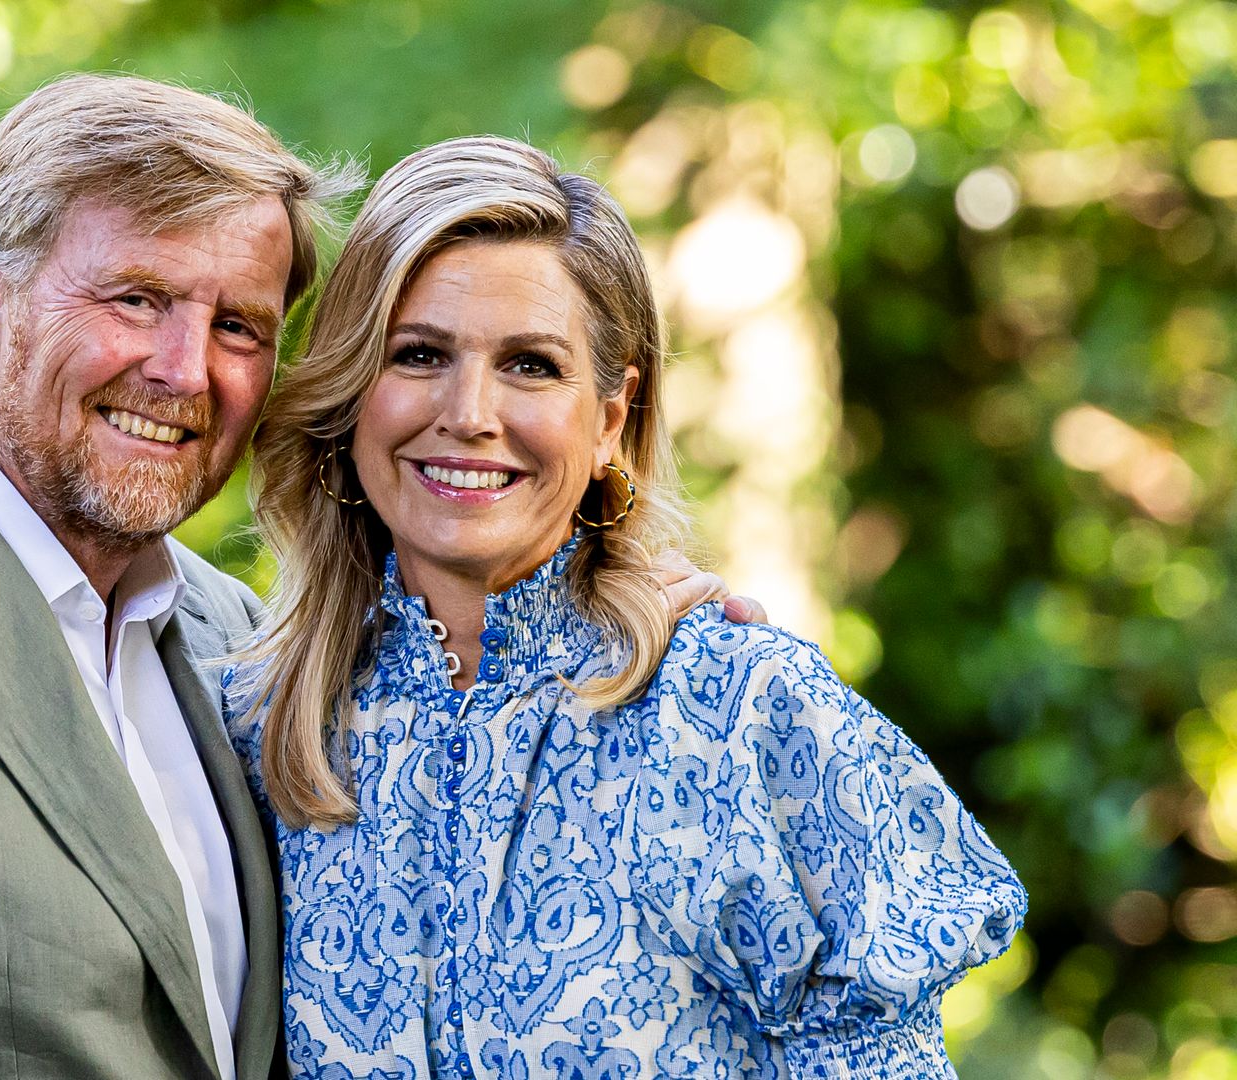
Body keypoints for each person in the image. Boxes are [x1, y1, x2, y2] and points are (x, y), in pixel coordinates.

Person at [0, 77, 751, 1078]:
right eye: (137, 300)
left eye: (238, 325)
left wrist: (618, 632)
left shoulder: (238, 649)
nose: (186, 370)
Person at [227, 136, 1027, 1078]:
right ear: (353, 390)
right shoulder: (271, 724)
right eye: (419, 354)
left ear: (612, 415)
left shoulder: (743, 708)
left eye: (530, 365)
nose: (470, 412)